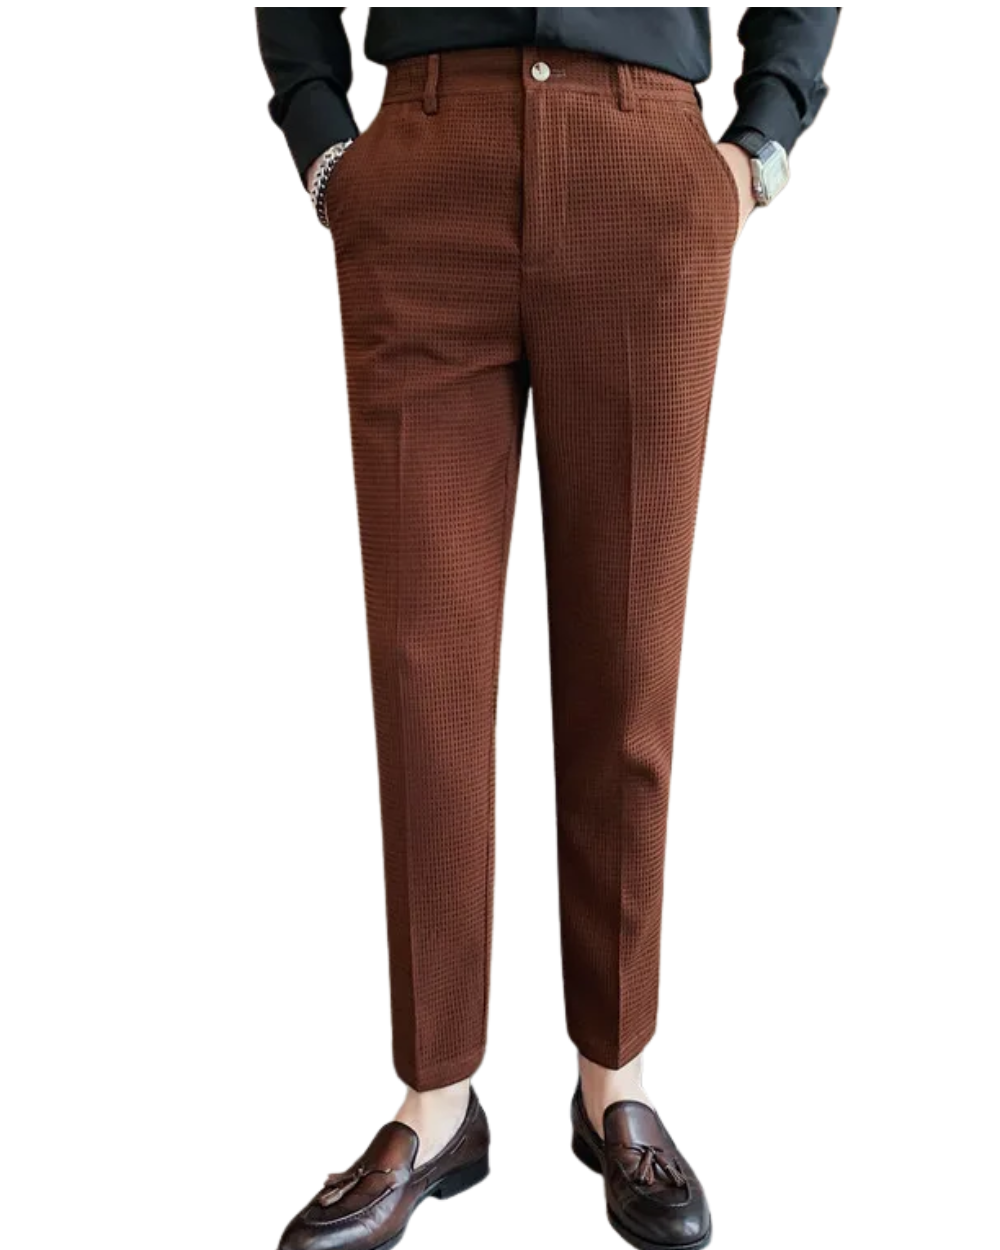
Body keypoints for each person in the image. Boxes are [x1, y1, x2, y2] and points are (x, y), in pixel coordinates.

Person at [255, 9, 839, 1249]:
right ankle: (436, 1098)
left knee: (628, 657)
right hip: (427, 157)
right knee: (424, 662)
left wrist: (764, 135)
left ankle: (613, 1077)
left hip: (644, 165)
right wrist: (317, 129)